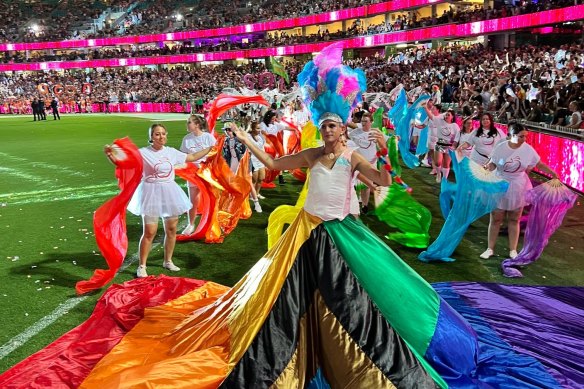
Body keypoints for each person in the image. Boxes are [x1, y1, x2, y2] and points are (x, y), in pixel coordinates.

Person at [105, 123, 212, 278]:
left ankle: (168, 261)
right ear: (151, 137)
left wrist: (211, 147)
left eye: (163, 133)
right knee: (150, 232)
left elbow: (192, 157)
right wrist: (111, 156)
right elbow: (124, 163)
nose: (161, 136)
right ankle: (142, 265)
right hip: (150, 193)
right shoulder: (142, 153)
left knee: (171, 229)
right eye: (157, 134)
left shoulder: (171, 152)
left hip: (169, 192)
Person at [481, 122, 557, 260]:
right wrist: (486, 168)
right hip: (500, 185)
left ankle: (513, 250)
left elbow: (538, 163)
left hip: (519, 186)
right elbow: (492, 164)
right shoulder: (500, 148)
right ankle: (490, 248)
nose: (524, 139)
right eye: (521, 136)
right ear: (512, 135)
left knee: (514, 219)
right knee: (496, 218)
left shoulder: (528, 149)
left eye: (526, 136)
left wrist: (553, 173)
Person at [179, 115, 217, 235]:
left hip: (206, 173)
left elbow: (216, 154)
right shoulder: (186, 139)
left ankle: (212, 224)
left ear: (197, 125)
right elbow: (183, 156)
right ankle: (191, 224)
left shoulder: (208, 137)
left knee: (211, 200)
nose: (187, 124)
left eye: (189, 122)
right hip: (192, 173)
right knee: (193, 200)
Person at [347, 111, 388, 213]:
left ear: (371, 122)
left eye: (366, 121)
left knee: (366, 186)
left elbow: (387, 141)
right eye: (362, 121)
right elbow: (346, 136)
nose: (364, 123)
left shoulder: (376, 133)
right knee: (354, 185)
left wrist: (396, 138)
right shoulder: (355, 132)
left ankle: (365, 205)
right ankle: (355, 203)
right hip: (358, 164)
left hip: (370, 165)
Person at [423, 101, 460, 183]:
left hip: (449, 146)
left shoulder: (455, 126)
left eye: (448, 115)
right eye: (446, 114)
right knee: (438, 162)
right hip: (439, 144)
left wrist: (453, 146)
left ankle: (445, 179)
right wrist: (425, 108)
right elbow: (431, 116)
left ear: (452, 117)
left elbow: (457, 138)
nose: (446, 116)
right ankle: (439, 174)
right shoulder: (440, 121)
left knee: (446, 164)